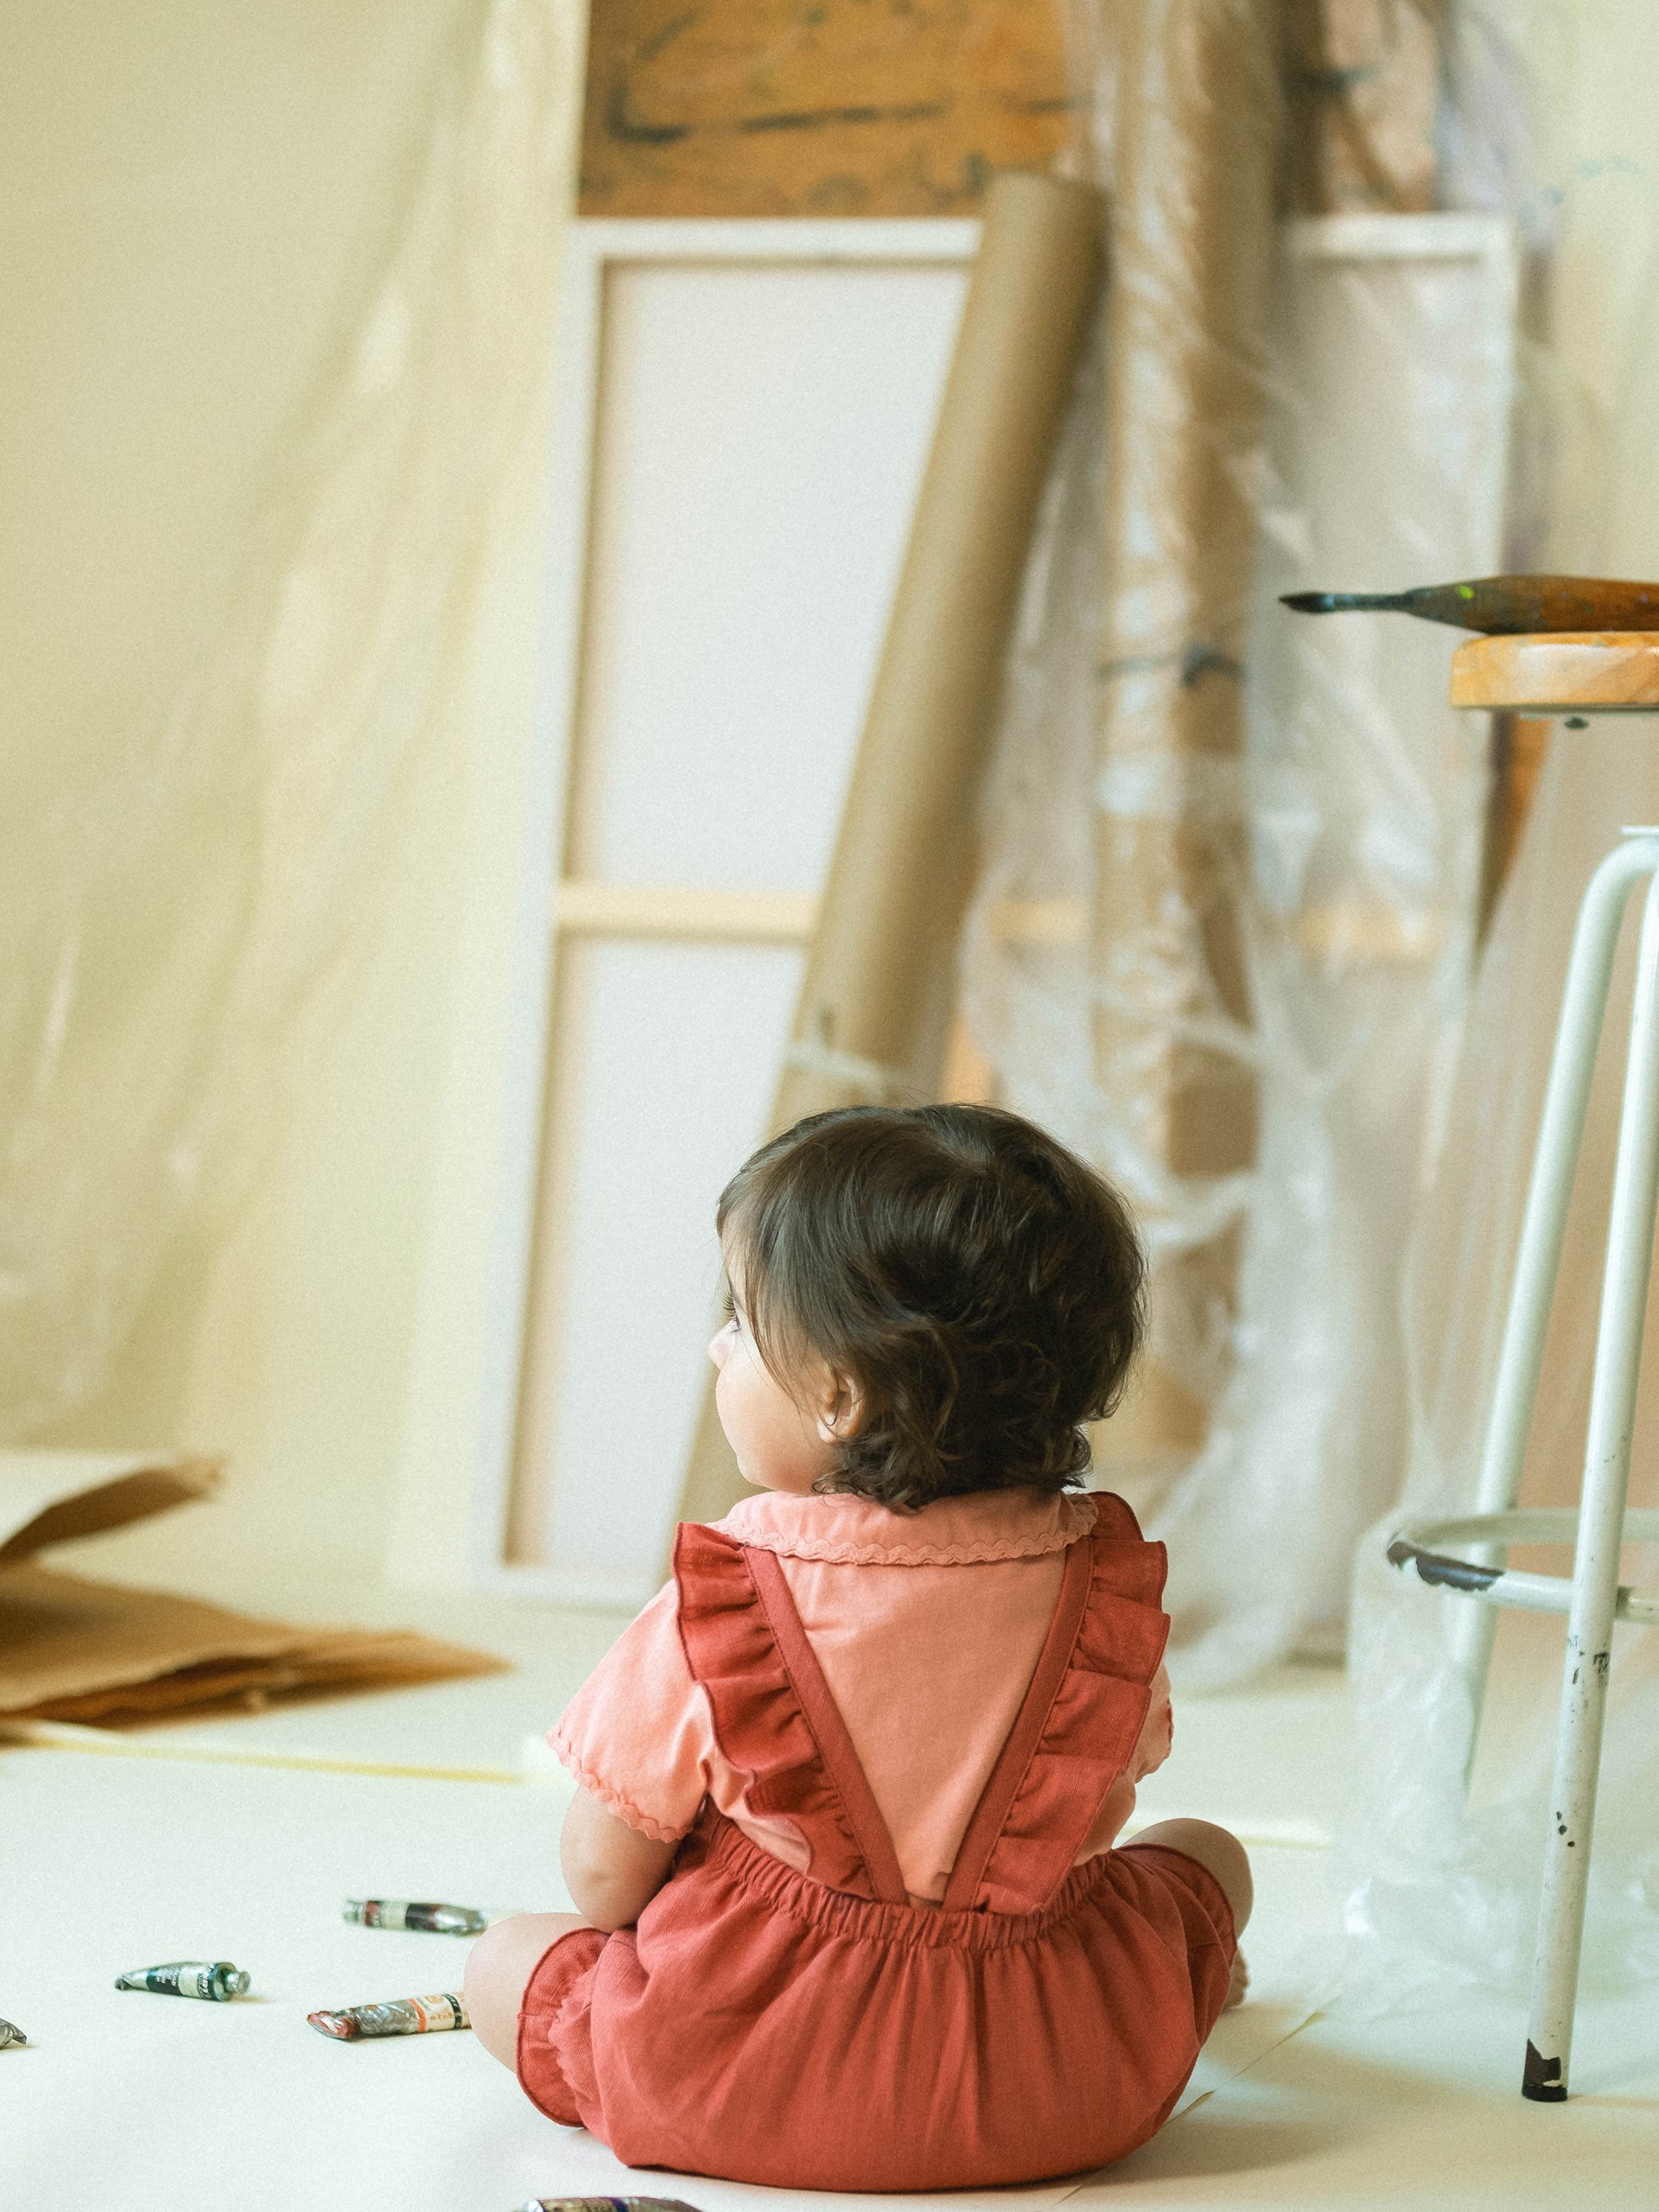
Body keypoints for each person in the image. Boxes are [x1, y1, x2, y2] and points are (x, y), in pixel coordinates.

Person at [466, 1104, 1250, 2190]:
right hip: (1060, 2090)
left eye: (739, 1317)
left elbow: (602, 1881)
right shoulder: (1101, 1590)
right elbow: (1107, 1814)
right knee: (1207, 1851)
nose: (715, 1343)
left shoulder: (725, 1598)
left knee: (505, 1960)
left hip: (730, 2077)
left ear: (839, 1393)